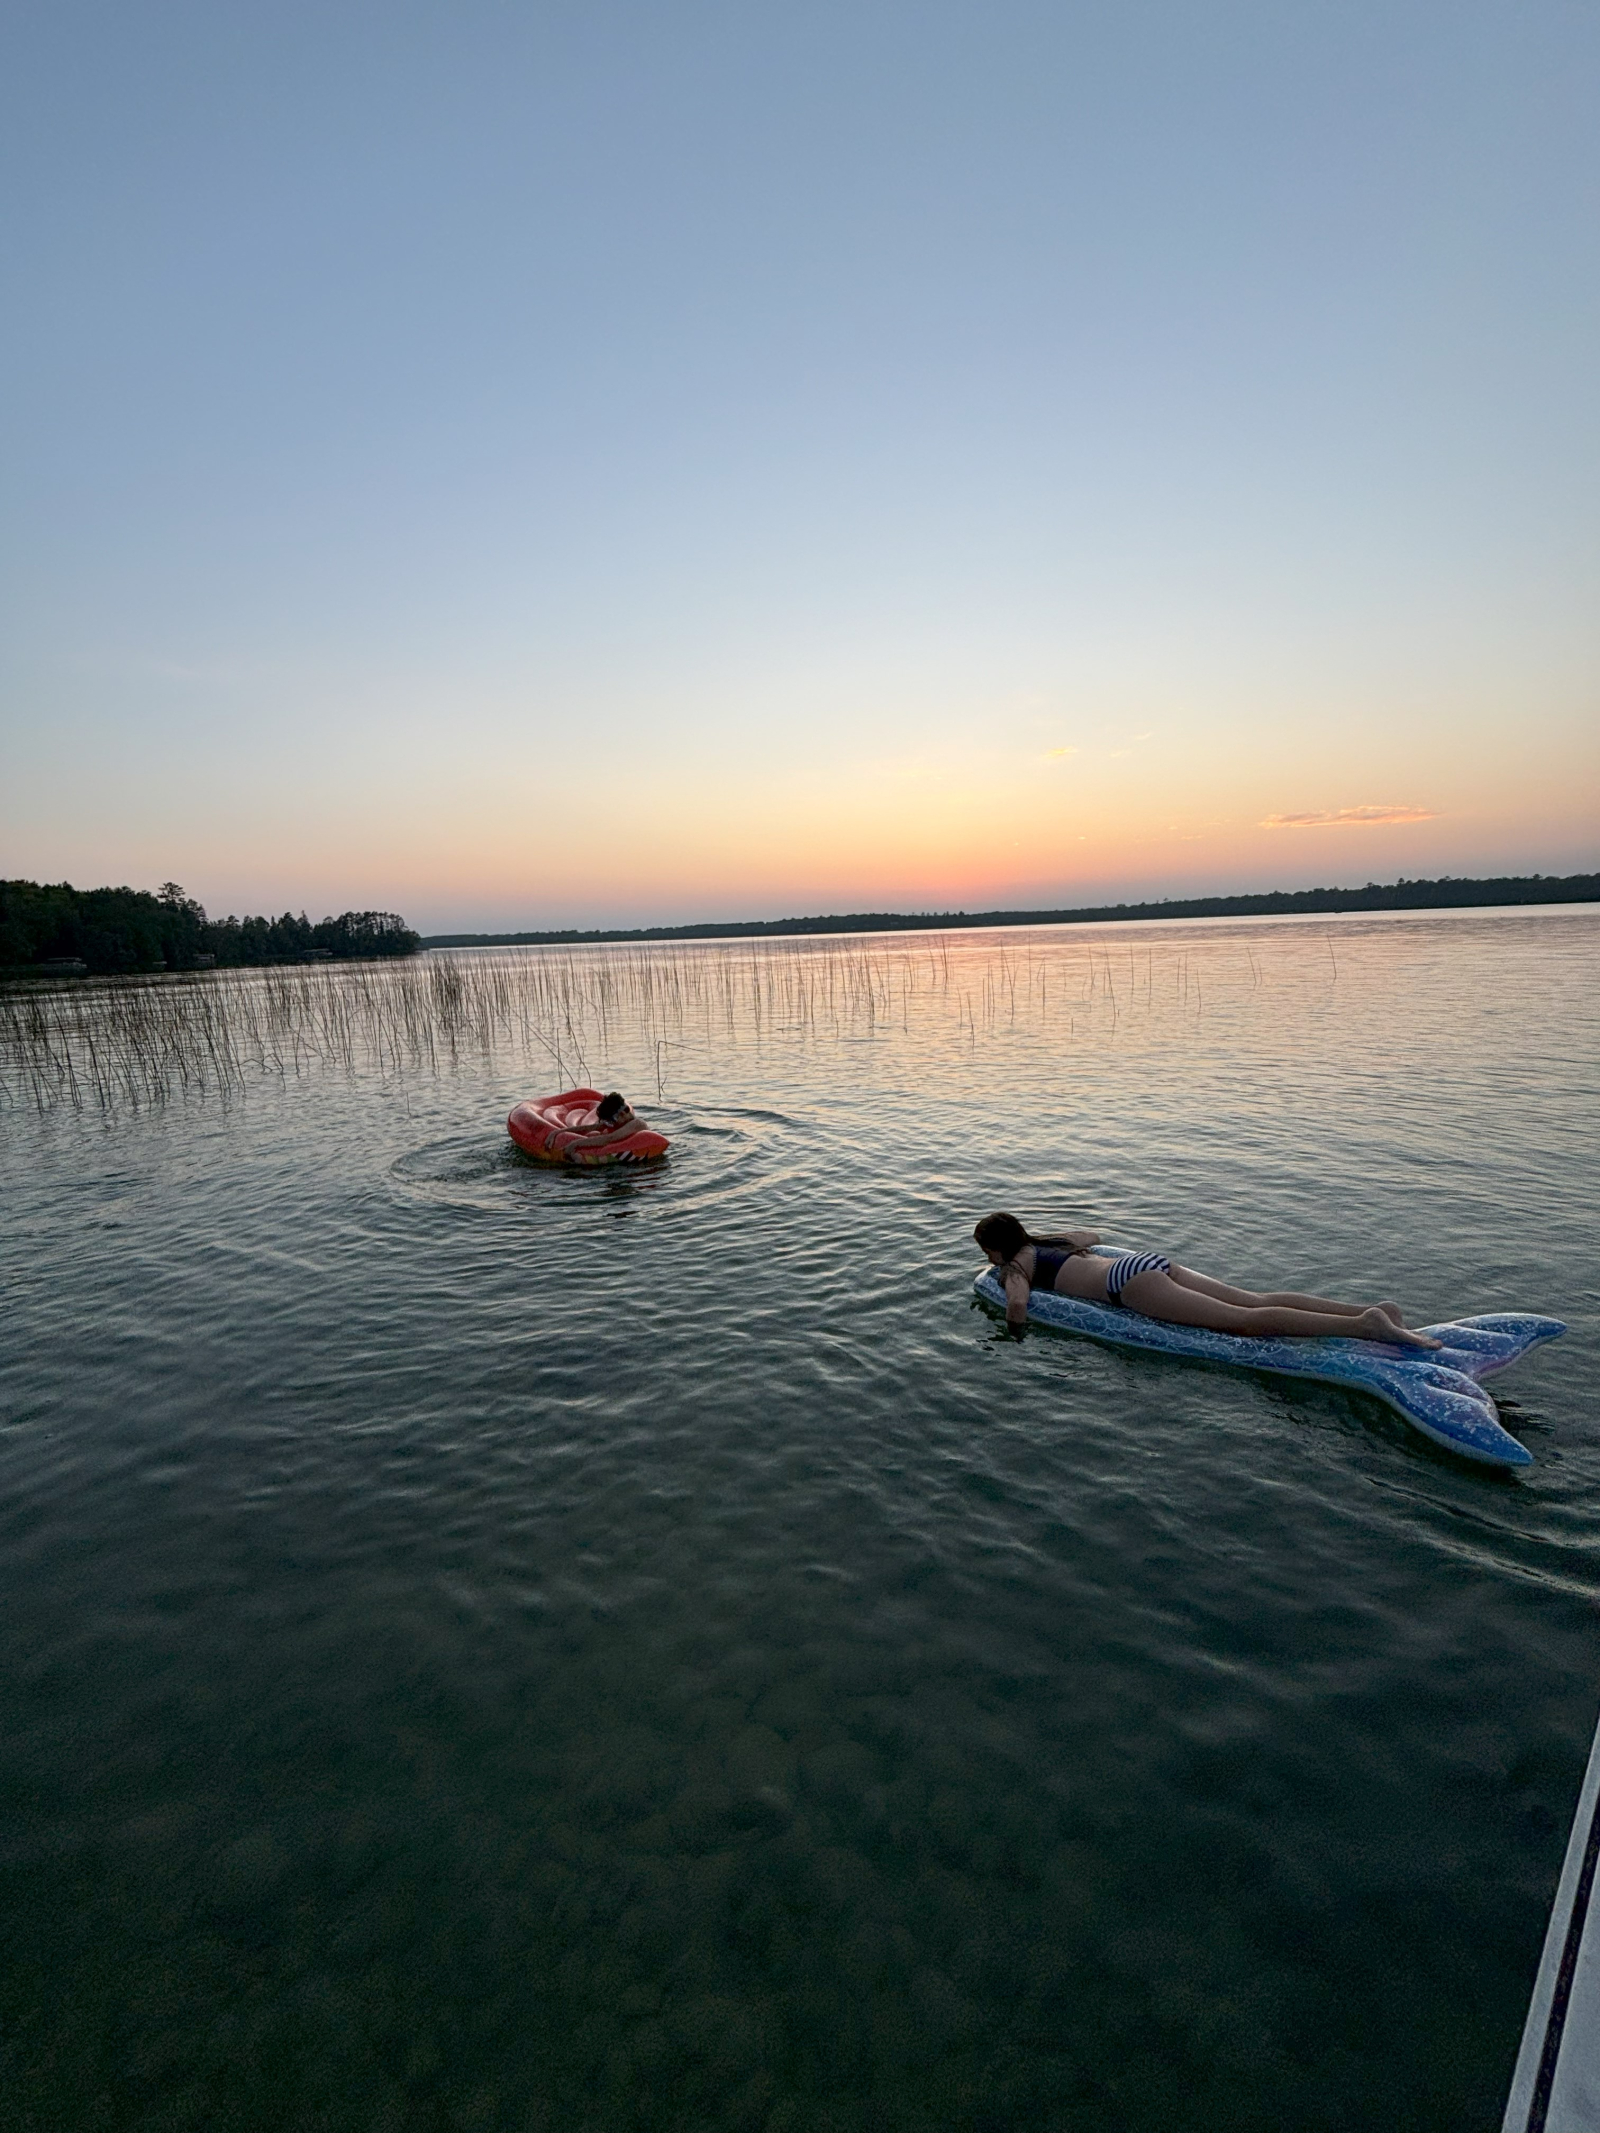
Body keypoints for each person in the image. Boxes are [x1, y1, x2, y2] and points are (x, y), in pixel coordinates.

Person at [973, 1211, 1441, 1348]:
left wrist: (1014, 1336)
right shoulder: (1052, 1241)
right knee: (1254, 1297)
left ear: (995, 1248)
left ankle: (1366, 1326)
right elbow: (1093, 1232)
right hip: (1145, 1263)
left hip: (1129, 1286)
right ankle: (1366, 1310)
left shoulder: (1017, 1264)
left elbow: (1017, 1304)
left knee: (1244, 1320)